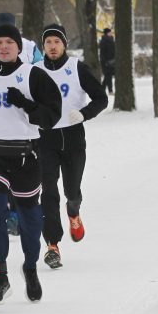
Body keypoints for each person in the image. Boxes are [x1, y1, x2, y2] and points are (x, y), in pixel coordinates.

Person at [0, 22, 62, 304]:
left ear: (19, 47)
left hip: (27, 155)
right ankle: (0, 277)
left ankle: (30, 267)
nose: (4, 47)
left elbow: (50, 116)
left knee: (31, 221)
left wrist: (26, 104)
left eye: (10, 42)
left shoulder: (33, 75)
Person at [33, 24, 108, 269]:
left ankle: (73, 211)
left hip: (74, 136)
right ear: (42, 47)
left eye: (56, 42)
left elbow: (101, 98)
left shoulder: (76, 68)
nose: (52, 46)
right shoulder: (34, 71)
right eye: (48, 43)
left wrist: (84, 114)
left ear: (64, 44)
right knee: (49, 191)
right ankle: (52, 244)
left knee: (71, 189)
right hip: (45, 138)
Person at [99, 28, 116, 94]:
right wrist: (105, 62)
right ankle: (110, 90)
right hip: (107, 62)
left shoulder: (111, 40)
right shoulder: (104, 41)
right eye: (110, 32)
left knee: (107, 76)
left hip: (112, 61)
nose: (111, 33)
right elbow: (102, 53)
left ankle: (102, 90)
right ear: (107, 33)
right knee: (108, 76)